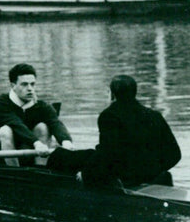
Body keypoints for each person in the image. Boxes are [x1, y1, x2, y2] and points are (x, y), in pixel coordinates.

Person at [47, 74, 181, 187]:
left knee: (63, 156)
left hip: (124, 177)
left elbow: (107, 154)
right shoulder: (154, 115)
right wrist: (155, 171)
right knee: (88, 154)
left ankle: (45, 165)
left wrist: (86, 174)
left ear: (112, 95)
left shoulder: (109, 115)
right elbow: (175, 154)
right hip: (149, 173)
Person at [0, 63, 73, 165]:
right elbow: (15, 124)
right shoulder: (0, 102)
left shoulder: (42, 106)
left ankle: (40, 171)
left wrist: (66, 141)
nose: (30, 89)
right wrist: (36, 143)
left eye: (32, 84)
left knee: (43, 127)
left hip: (23, 148)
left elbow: (55, 123)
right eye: (24, 84)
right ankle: (14, 174)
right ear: (13, 86)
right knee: (6, 131)